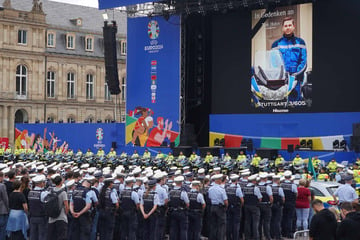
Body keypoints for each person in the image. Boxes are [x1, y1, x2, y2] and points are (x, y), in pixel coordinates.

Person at [271, 17, 307, 84]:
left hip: (296, 80)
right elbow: (273, 63)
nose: (288, 28)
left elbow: (303, 62)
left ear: (294, 27)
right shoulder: (275, 44)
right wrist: (281, 75)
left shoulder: (301, 42)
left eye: (290, 25)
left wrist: (295, 75)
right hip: (281, 80)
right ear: (282, 28)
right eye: (285, 26)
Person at [47, 174, 69, 240]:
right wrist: (66, 213)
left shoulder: (51, 191)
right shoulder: (63, 193)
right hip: (61, 217)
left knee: (52, 236)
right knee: (61, 236)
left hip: (51, 218)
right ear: (61, 182)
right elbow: (66, 205)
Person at [168, 176, 189, 240]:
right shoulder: (183, 192)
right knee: (183, 229)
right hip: (181, 212)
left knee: (173, 228)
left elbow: (168, 200)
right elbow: (187, 203)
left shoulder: (170, 191)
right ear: (181, 183)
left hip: (172, 211)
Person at [208, 174, 228, 240]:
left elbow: (209, 198)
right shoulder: (221, 189)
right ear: (218, 180)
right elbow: (225, 201)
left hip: (213, 206)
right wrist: (226, 207)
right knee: (221, 225)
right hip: (220, 208)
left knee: (213, 224)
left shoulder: (210, 189)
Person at [28, 175, 48, 240]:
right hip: (41, 217)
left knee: (33, 235)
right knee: (42, 235)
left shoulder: (30, 192)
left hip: (32, 217)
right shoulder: (43, 193)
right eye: (44, 182)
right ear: (41, 183)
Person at [243, 174, 262, 240]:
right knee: (255, 223)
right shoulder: (255, 188)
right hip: (254, 206)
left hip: (246, 206)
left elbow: (243, 196)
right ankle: (255, 237)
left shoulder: (245, 187)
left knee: (247, 222)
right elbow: (260, 198)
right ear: (254, 181)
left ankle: (247, 236)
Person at [225, 174, 243, 240]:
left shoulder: (227, 187)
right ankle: (235, 237)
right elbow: (242, 199)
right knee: (236, 223)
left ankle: (228, 237)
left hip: (229, 207)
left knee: (229, 222)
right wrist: (241, 205)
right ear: (237, 180)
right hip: (236, 207)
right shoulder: (237, 189)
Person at [270, 175, 285, 240]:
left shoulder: (269, 187)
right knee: (277, 221)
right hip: (278, 205)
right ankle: (278, 236)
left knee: (271, 220)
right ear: (278, 180)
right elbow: (283, 198)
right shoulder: (279, 188)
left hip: (271, 205)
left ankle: (271, 234)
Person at [0, 172, 9, 240]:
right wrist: (8, 208)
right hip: (2, 210)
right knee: (3, 228)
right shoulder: (2, 186)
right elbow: (5, 198)